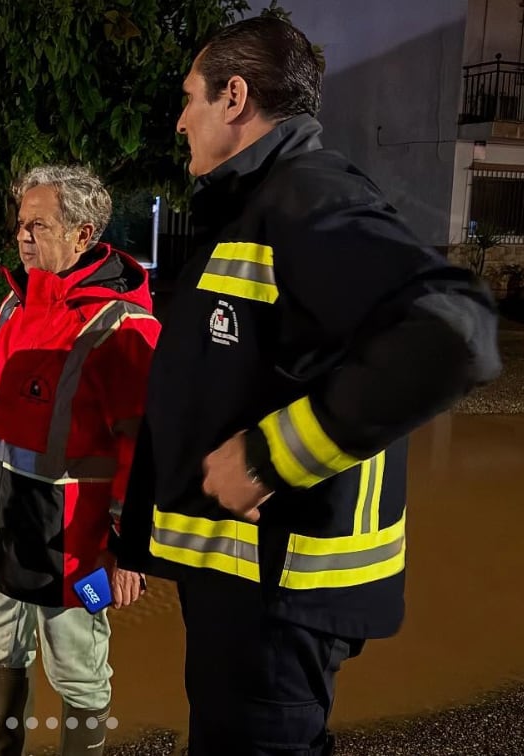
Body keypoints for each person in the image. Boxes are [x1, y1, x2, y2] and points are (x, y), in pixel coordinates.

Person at [111, 16, 502, 756]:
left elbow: (454, 331)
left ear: (234, 97)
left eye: (189, 97)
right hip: (245, 591)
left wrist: (271, 457)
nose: (178, 118)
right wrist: (137, 538)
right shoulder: (248, 209)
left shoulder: (306, 196)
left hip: (278, 600)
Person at [0, 164, 161, 755]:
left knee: (81, 673)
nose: (22, 236)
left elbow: (143, 448)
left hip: (79, 552)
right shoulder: (9, 309)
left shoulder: (122, 325)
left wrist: (128, 553)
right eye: (21, 225)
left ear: (82, 235)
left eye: (38, 225)